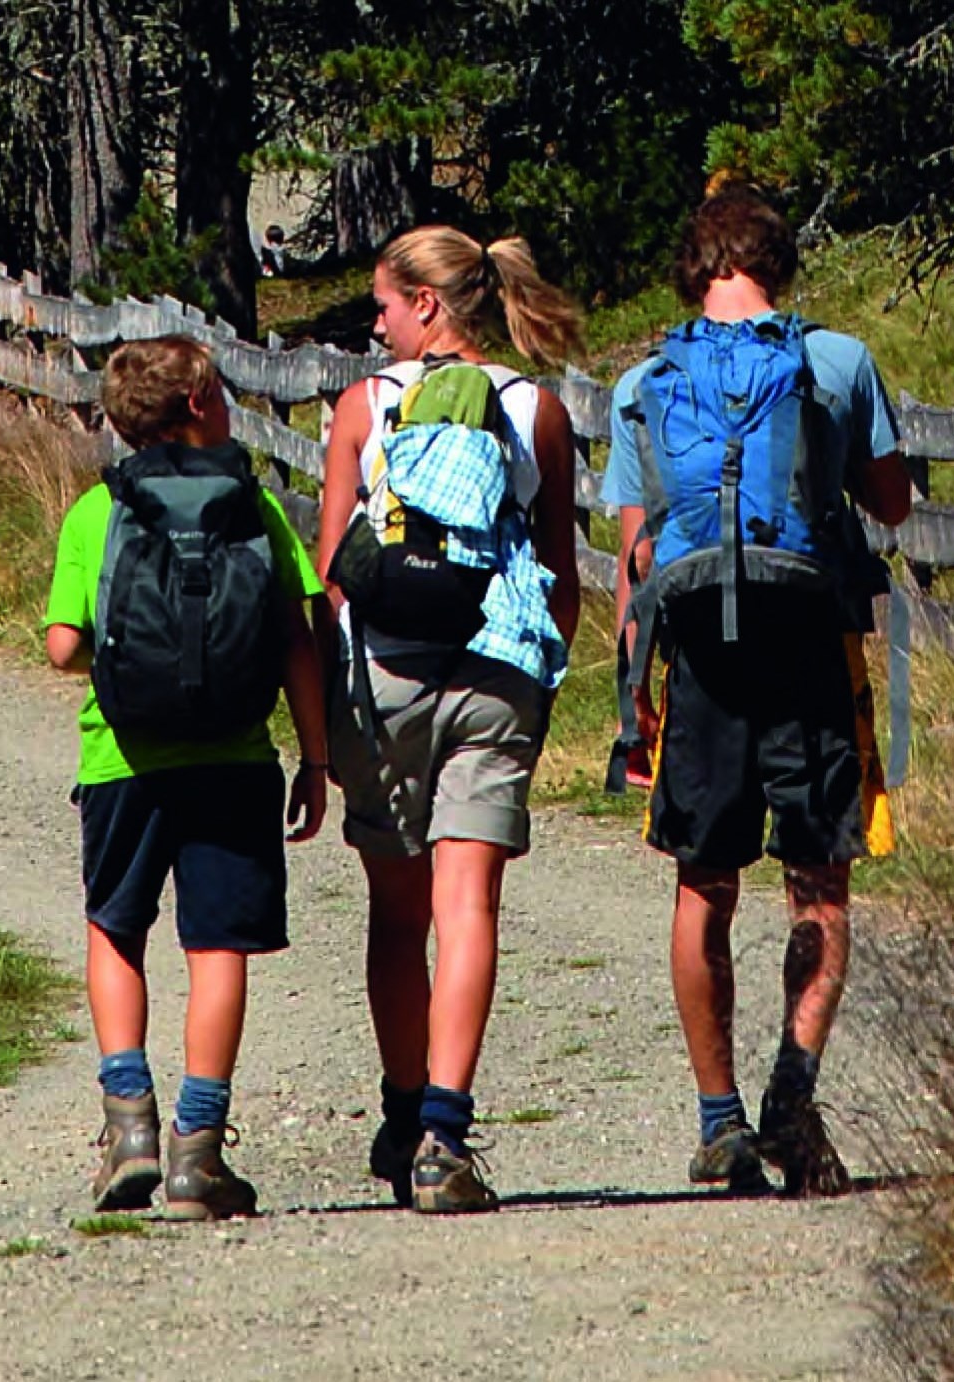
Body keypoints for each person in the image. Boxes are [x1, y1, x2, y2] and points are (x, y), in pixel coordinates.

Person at [606, 188, 913, 1197]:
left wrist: (632, 699)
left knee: (703, 880)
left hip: (698, 651)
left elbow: (637, 551)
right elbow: (890, 505)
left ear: (691, 272)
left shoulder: (644, 381)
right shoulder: (834, 361)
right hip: (808, 643)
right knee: (819, 878)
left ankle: (718, 1121)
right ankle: (793, 1086)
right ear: (777, 265)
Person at [314, 226, 583, 1213]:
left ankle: (398, 1102)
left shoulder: (362, 407)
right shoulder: (535, 410)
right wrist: (536, 679)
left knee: (398, 907)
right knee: (468, 904)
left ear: (427, 305)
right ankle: (443, 1131)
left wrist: (337, 681)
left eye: (383, 305)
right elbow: (559, 575)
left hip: (382, 673)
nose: (375, 323)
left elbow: (330, 569)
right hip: (493, 673)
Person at [43, 336, 331, 1220]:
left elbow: (61, 646)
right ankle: (197, 1153)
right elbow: (298, 638)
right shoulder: (257, 507)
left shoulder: (98, 511)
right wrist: (316, 759)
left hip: (121, 760)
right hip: (235, 758)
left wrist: (120, 655)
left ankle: (129, 1129)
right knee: (216, 950)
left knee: (114, 929)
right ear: (203, 403)